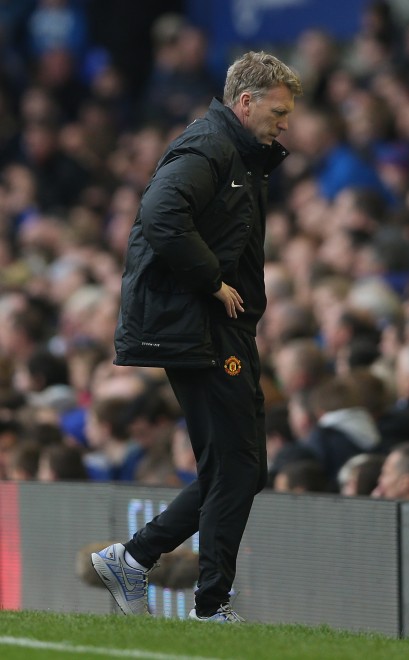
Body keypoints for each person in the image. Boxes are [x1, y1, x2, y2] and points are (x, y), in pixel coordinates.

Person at [91, 51, 302, 623]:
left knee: (240, 469)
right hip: (200, 327)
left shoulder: (235, 152)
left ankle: (132, 557)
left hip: (215, 328)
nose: (286, 124)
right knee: (236, 466)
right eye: (279, 112)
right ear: (245, 102)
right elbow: (161, 215)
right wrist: (212, 282)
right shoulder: (209, 147)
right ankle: (210, 607)